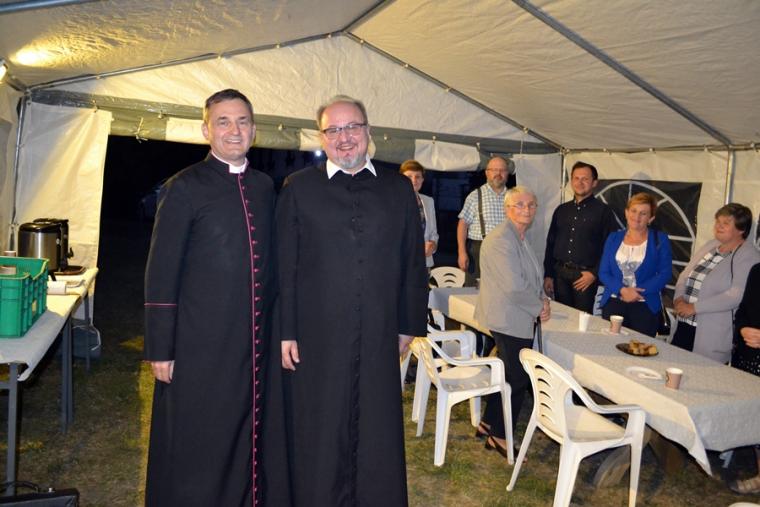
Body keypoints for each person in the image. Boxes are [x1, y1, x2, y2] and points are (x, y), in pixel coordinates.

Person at [274, 95, 428, 506]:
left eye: (352, 127)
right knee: (322, 423)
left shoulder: (397, 189)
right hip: (317, 333)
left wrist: (409, 324)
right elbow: (284, 266)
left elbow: (412, 260)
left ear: (368, 131)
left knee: (377, 421)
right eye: (334, 130)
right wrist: (286, 330)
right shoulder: (298, 188)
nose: (344, 138)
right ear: (322, 137)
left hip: (380, 329)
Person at [143, 89, 275, 506]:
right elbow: (161, 271)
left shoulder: (264, 186)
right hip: (199, 342)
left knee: (247, 432)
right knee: (199, 436)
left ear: (254, 129)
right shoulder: (183, 187)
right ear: (206, 130)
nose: (234, 130)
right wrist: (160, 348)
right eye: (223, 121)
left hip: (253, 343)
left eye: (242, 121)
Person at [474, 186, 551, 458]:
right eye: (519, 204)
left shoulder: (519, 236)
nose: (526, 209)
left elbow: (532, 276)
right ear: (507, 209)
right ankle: (499, 436)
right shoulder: (501, 240)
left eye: (531, 205)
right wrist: (538, 307)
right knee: (517, 378)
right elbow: (514, 286)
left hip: (515, 314)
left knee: (509, 373)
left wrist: (542, 298)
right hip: (508, 317)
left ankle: (488, 423)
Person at [672, 203, 759, 362]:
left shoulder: (749, 255)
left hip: (711, 333)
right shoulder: (711, 245)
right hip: (684, 323)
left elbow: (736, 295)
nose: (719, 226)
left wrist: (694, 307)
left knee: (701, 373)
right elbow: (685, 275)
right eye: (718, 221)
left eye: (726, 223)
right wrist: (678, 299)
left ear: (741, 229)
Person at [543, 161, 617, 313]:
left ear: (594, 182)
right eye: (576, 178)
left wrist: (594, 274)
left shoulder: (604, 212)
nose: (580, 182)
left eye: (585, 179)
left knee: (582, 320)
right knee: (562, 317)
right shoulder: (561, 210)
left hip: (585, 277)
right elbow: (551, 243)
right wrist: (548, 275)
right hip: (560, 274)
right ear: (571, 181)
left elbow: (611, 248)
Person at [598, 192, 672, 337]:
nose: (637, 217)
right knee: (609, 346)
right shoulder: (613, 238)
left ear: (651, 218)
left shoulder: (660, 240)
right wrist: (622, 290)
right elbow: (603, 272)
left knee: (639, 347)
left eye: (643, 213)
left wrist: (636, 293)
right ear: (626, 213)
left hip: (645, 305)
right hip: (614, 302)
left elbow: (665, 274)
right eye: (633, 211)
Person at [729, 262, 760, 494]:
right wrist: (742, 329)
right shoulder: (757, 271)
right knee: (755, 418)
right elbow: (743, 311)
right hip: (748, 357)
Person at [457, 156, 509, 285]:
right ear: (487, 173)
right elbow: (463, 225)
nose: (498, 173)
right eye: (494, 170)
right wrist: (462, 252)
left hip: (506, 250)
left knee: (502, 290)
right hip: (478, 250)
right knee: (474, 291)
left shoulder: (513, 197)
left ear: (507, 173)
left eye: (502, 170)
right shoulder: (475, 196)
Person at [400, 159, 438, 269]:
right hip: (401, 264)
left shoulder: (428, 201)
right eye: (409, 176)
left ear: (422, 180)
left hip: (424, 264)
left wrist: (432, 245)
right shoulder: (392, 201)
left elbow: (434, 233)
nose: (414, 180)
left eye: (418, 177)